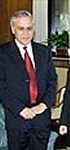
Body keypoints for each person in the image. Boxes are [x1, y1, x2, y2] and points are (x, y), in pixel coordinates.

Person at [0, 10, 57, 150]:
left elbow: (52, 81)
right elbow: (1, 86)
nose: (26, 33)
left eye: (29, 28)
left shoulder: (44, 52)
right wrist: (20, 109)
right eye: (21, 29)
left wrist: (43, 105)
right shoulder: (3, 54)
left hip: (41, 119)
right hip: (17, 119)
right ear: (13, 29)